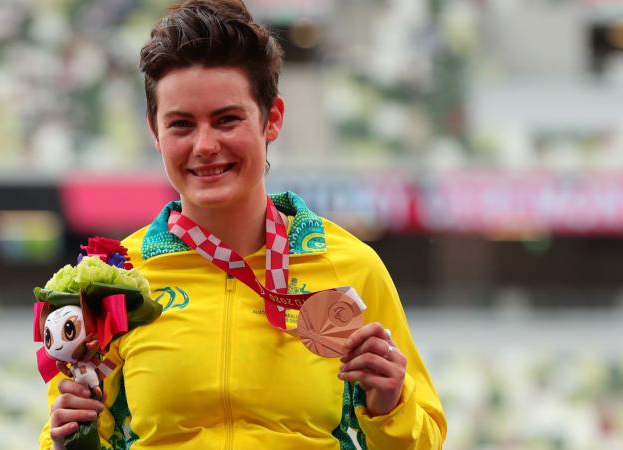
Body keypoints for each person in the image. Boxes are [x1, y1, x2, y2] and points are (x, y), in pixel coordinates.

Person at [40, 1, 447, 449]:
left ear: (271, 119)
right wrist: (65, 440)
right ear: (154, 132)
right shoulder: (118, 282)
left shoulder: (349, 266)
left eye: (227, 119)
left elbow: (425, 439)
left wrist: (391, 406)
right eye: (181, 125)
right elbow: (74, 433)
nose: (205, 145)